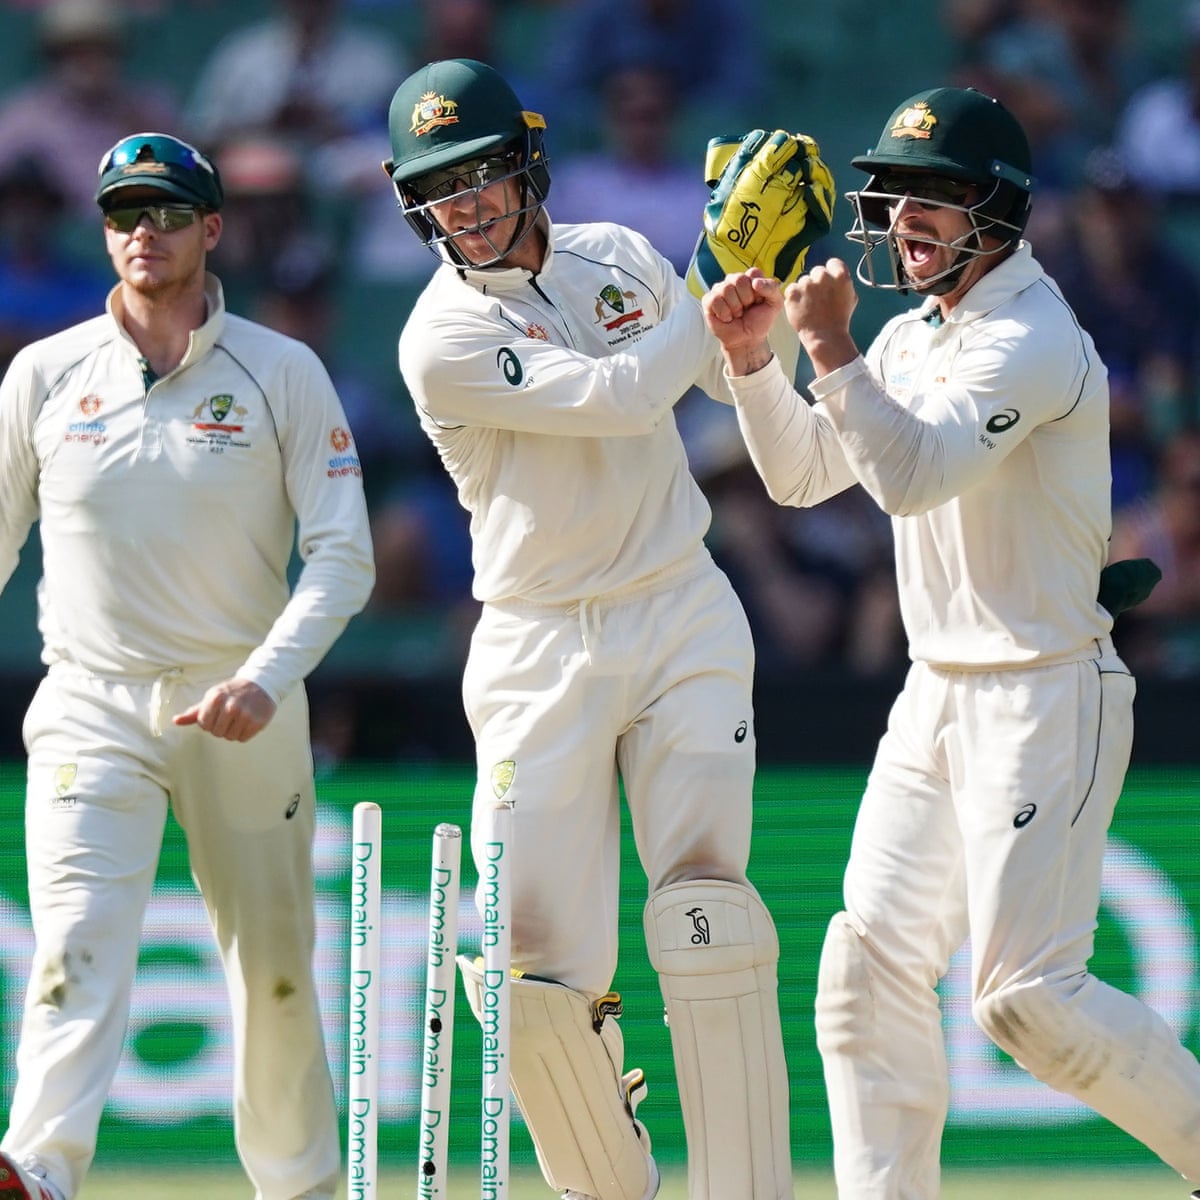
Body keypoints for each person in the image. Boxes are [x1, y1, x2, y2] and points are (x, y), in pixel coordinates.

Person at [701, 85, 1200, 1198]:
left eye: (934, 198)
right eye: (896, 196)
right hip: (935, 694)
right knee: (862, 977)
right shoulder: (920, 334)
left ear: (998, 212)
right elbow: (802, 475)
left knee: (1027, 1000)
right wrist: (753, 363)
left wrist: (826, 345)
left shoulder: (1030, 336)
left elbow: (914, 477)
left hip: (1040, 692)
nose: (906, 220)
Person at [382, 57, 794, 1200]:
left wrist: (766, 302)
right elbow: (621, 399)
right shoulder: (441, 338)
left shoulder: (617, 253)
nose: (463, 206)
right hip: (536, 644)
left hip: (680, 608)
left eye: (479, 175)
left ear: (526, 164)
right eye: (438, 189)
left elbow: (723, 372)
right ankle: (612, 1185)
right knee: (533, 983)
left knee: (707, 909)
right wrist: (712, 273)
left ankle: (747, 1187)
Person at [0, 131, 374, 1200]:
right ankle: (40, 1171)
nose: (143, 233)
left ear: (212, 230)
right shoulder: (43, 374)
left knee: (276, 978)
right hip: (89, 701)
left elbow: (343, 556)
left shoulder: (281, 370)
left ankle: (300, 1190)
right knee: (73, 943)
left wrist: (267, 676)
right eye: (123, 213)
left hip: (244, 702)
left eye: (166, 213)